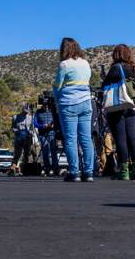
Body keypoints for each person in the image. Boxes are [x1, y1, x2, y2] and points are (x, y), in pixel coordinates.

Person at [53, 37, 95, 182]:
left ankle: (74, 172)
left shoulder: (64, 64)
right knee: (86, 138)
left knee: (71, 139)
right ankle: (89, 172)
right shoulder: (85, 63)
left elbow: (57, 85)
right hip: (86, 102)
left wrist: (57, 100)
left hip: (69, 103)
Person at [102, 44, 135, 180]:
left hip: (117, 107)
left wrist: (104, 78)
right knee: (132, 138)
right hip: (130, 106)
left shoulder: (115, 68)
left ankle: (123, 171)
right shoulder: (132, 68)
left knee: (120, 139)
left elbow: (105, 86)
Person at [34, 101, 59, 176]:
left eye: (48, 105)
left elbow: (57, 122)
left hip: (52, 134)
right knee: (45, 152)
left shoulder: (53, 112)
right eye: (45, 105)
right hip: (42, 134)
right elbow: (35, 123)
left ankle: (55, 168)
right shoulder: (38, 112)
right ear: (43, 105)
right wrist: (42, 126)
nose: (47, 107)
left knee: (53, 151)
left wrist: (53, 126)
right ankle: (47, 168)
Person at [10, 104, 33, 176]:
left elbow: (32, 128)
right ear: (22, 109)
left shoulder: (30, 117)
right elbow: (12, 128)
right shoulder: (15, 117)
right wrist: (17, 131)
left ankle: (24, 170)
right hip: (19, 138)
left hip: (28, 138)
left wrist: (31, 132)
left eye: (27, 111)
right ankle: (12, 169)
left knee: (26, 154)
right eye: (25, 111)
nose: (26, 112)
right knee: (17, 154)